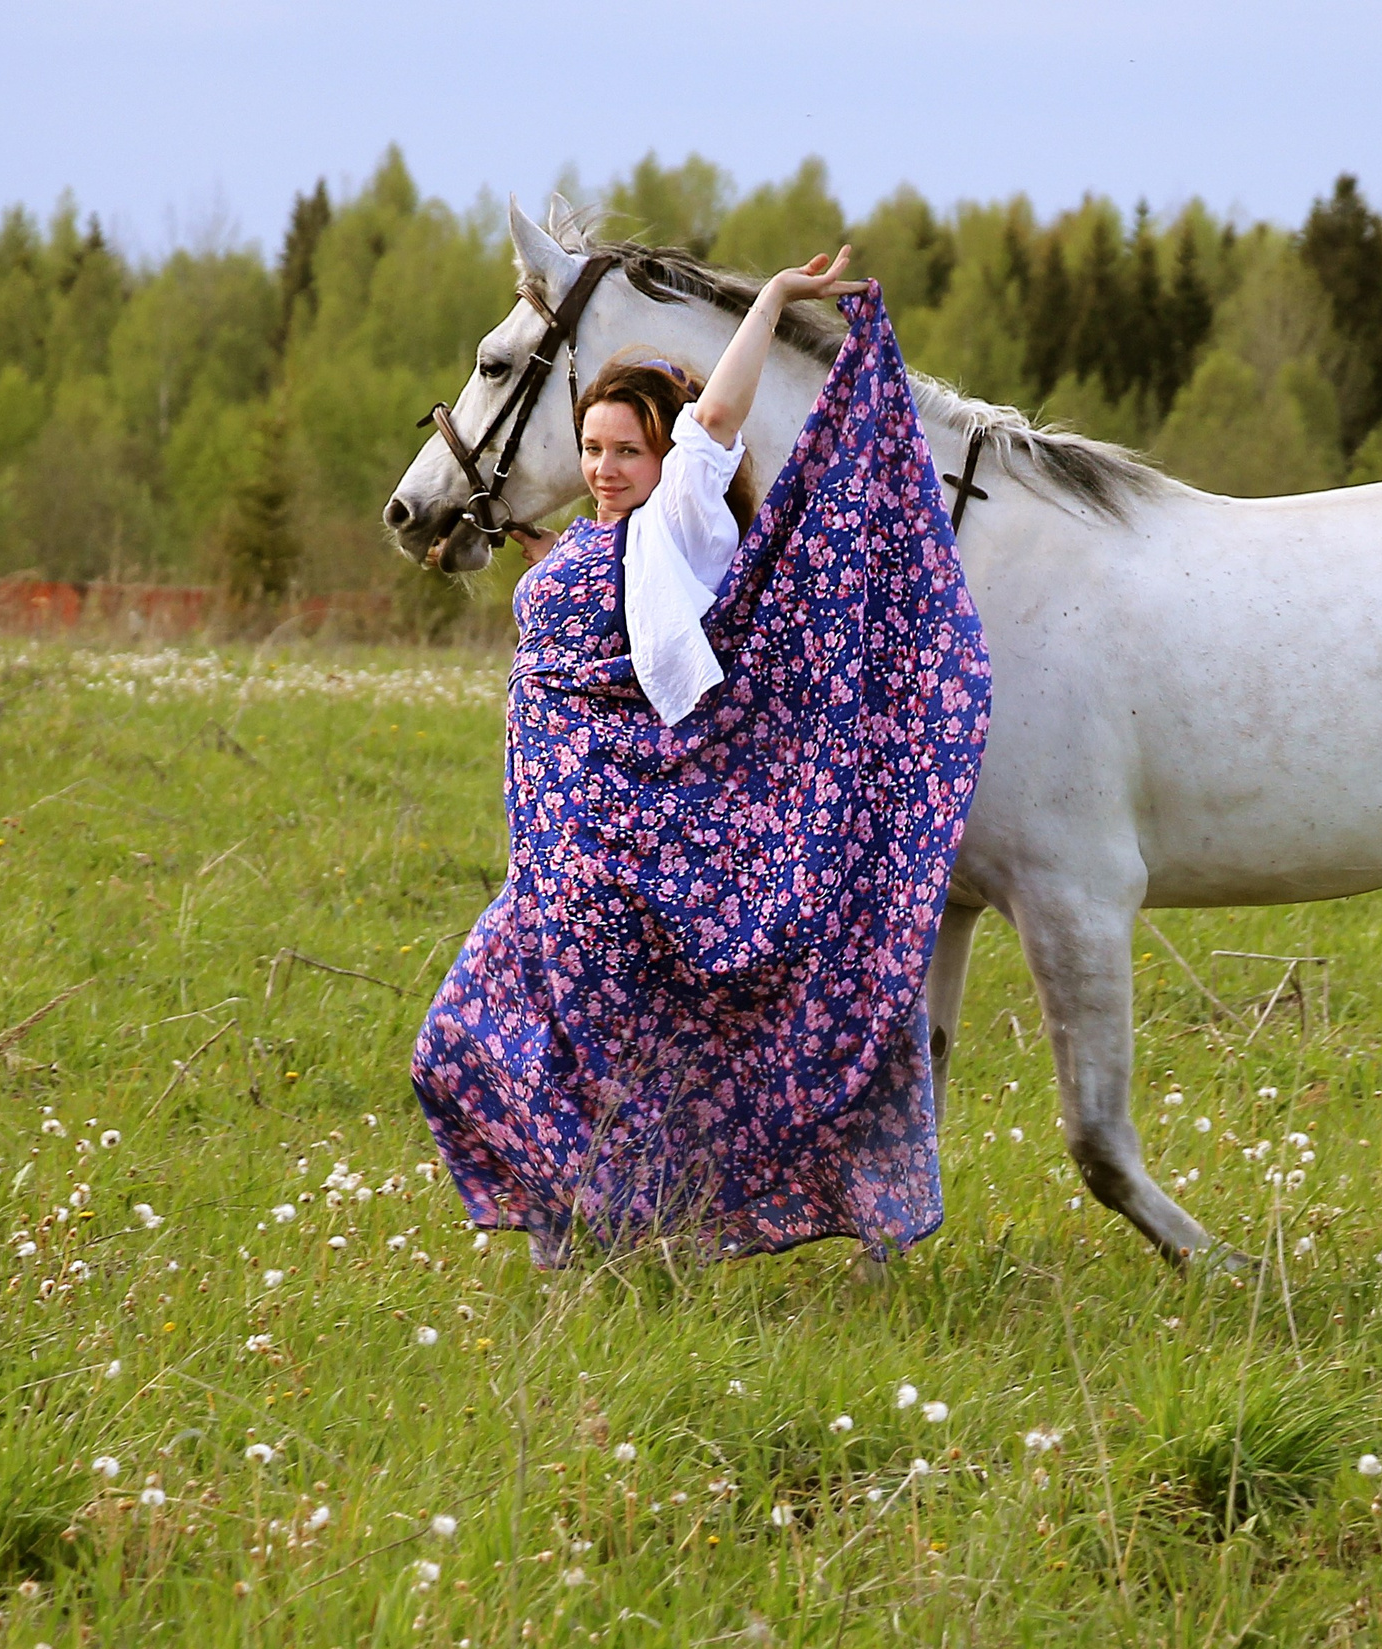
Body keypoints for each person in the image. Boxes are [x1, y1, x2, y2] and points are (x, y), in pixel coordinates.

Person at [411, 251, 992, 1270]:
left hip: (609, 858)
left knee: (557, 1050)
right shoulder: (595, 544)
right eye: (592, 448)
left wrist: (769, 300)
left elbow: (714, 423)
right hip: (551, 854)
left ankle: (597, 1250)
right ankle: (592, 1242)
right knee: (498, 1046)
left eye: (626, 451)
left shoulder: (671, 525)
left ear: (659, 459)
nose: (603, 468)